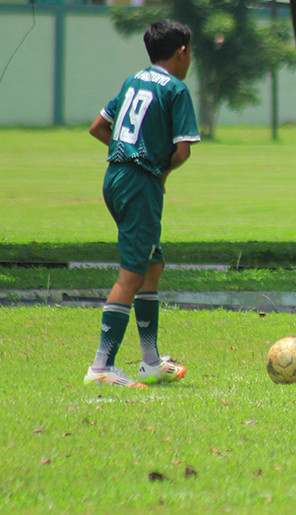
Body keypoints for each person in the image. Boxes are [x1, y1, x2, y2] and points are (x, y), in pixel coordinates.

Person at [84, 19, 200, 388]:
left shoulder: (133, 81)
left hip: (115, 178)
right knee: (132, 275)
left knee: (152, 264)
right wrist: (157, 169)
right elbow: (183, 151)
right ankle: (101, 367)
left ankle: (150, 361)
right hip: (140, 183)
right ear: (182, 51)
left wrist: (129, 152)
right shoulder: (176, 89)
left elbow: (98, 127)